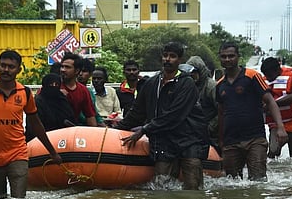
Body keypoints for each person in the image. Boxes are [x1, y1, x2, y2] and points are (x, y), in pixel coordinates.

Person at [0, 50, 62, 199]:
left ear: (18, 70)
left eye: (11, 67)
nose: (6, 70)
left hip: (18, 154)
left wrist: (52, 153)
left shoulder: (25, 92)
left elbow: (36, 125)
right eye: (3, 66)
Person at [115, 42, 209, 190]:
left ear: (179, 60)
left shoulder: (187, 84)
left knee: (193, 189)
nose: (168, 59)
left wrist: (144, 129)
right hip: (163, 142)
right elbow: (137, 112)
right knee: (161, 188)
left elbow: (174, 116)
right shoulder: (151, 83)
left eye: (172, 56)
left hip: (189, 140)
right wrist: (116, 129)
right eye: (165, 56)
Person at [216, 42, 287, 180]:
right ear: (219, 58)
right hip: (231, 141)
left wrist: (280, 128)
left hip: (255, 139)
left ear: (238, 57)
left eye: (231, 56)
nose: (227, 59)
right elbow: (221, 113)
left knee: (258, 181)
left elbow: (270, 101)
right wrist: (221, 140)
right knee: (232, 184)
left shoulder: (252, 76)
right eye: (224, 56)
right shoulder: (220, 85)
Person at [260, 56, 292, 160]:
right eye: (265, 75)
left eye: (269, 75)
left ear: (278, 70)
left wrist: (271, 104)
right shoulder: (263, 80)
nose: (267, 78)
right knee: (272, 156)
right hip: (275, 124)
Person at [25, 73, 76, 142]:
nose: (53, 87)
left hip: (64, 140)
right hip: (41, 142)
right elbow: (33, 127)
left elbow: (71, 118)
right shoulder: (38, 102)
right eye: (51, 85)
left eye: (56, 85)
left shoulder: (62, 100)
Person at [185, 55, 219, 149]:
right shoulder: (186, 86)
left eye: (195, 71)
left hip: (210, 134)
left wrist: (210, 127)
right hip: (191, 133)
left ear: (201, 71)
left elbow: (221, 110)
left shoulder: (211, 86)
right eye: (190, 72)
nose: (192, 74)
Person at [59, 52, 98, 127]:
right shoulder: (52, 86)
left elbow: (90, 116)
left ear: (77, 71)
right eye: (62, 66)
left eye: (67, 67)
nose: (63, 70)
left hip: (72, 131)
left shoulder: (83, 90)